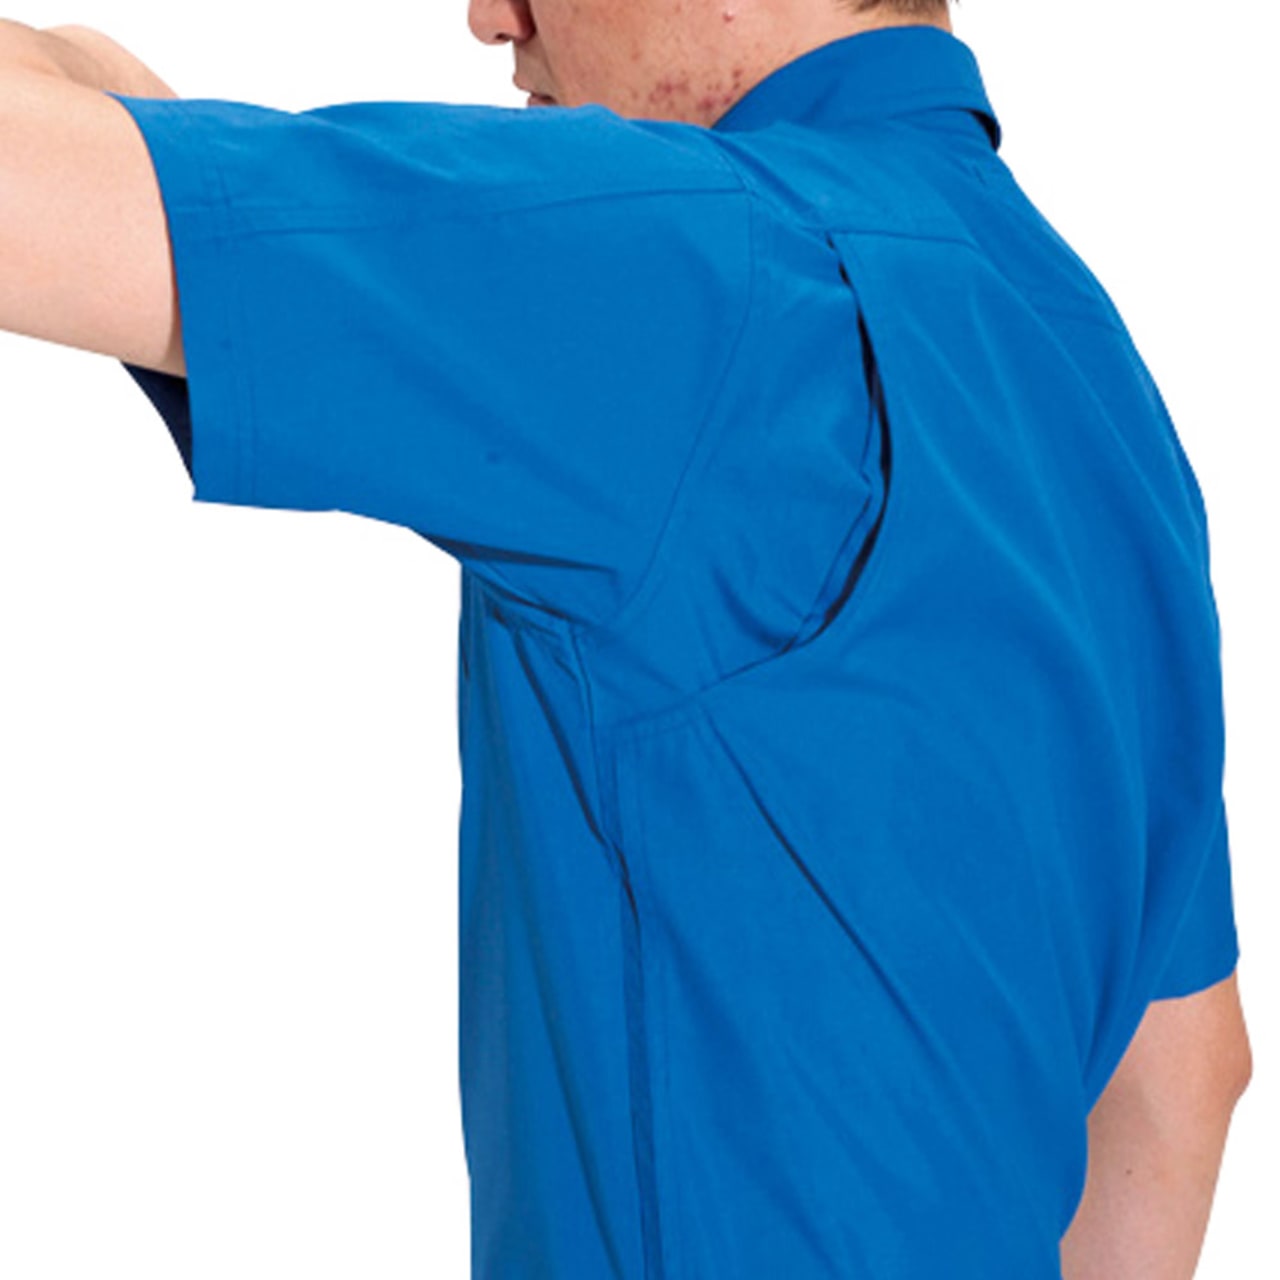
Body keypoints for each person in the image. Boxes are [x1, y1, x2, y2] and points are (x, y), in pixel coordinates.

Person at [0, 2, 1254, 1276]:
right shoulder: (1087, 365)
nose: (490, 16)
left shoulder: (692, 265)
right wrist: (94, 76)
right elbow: (1178, 1077)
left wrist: (75, 70)